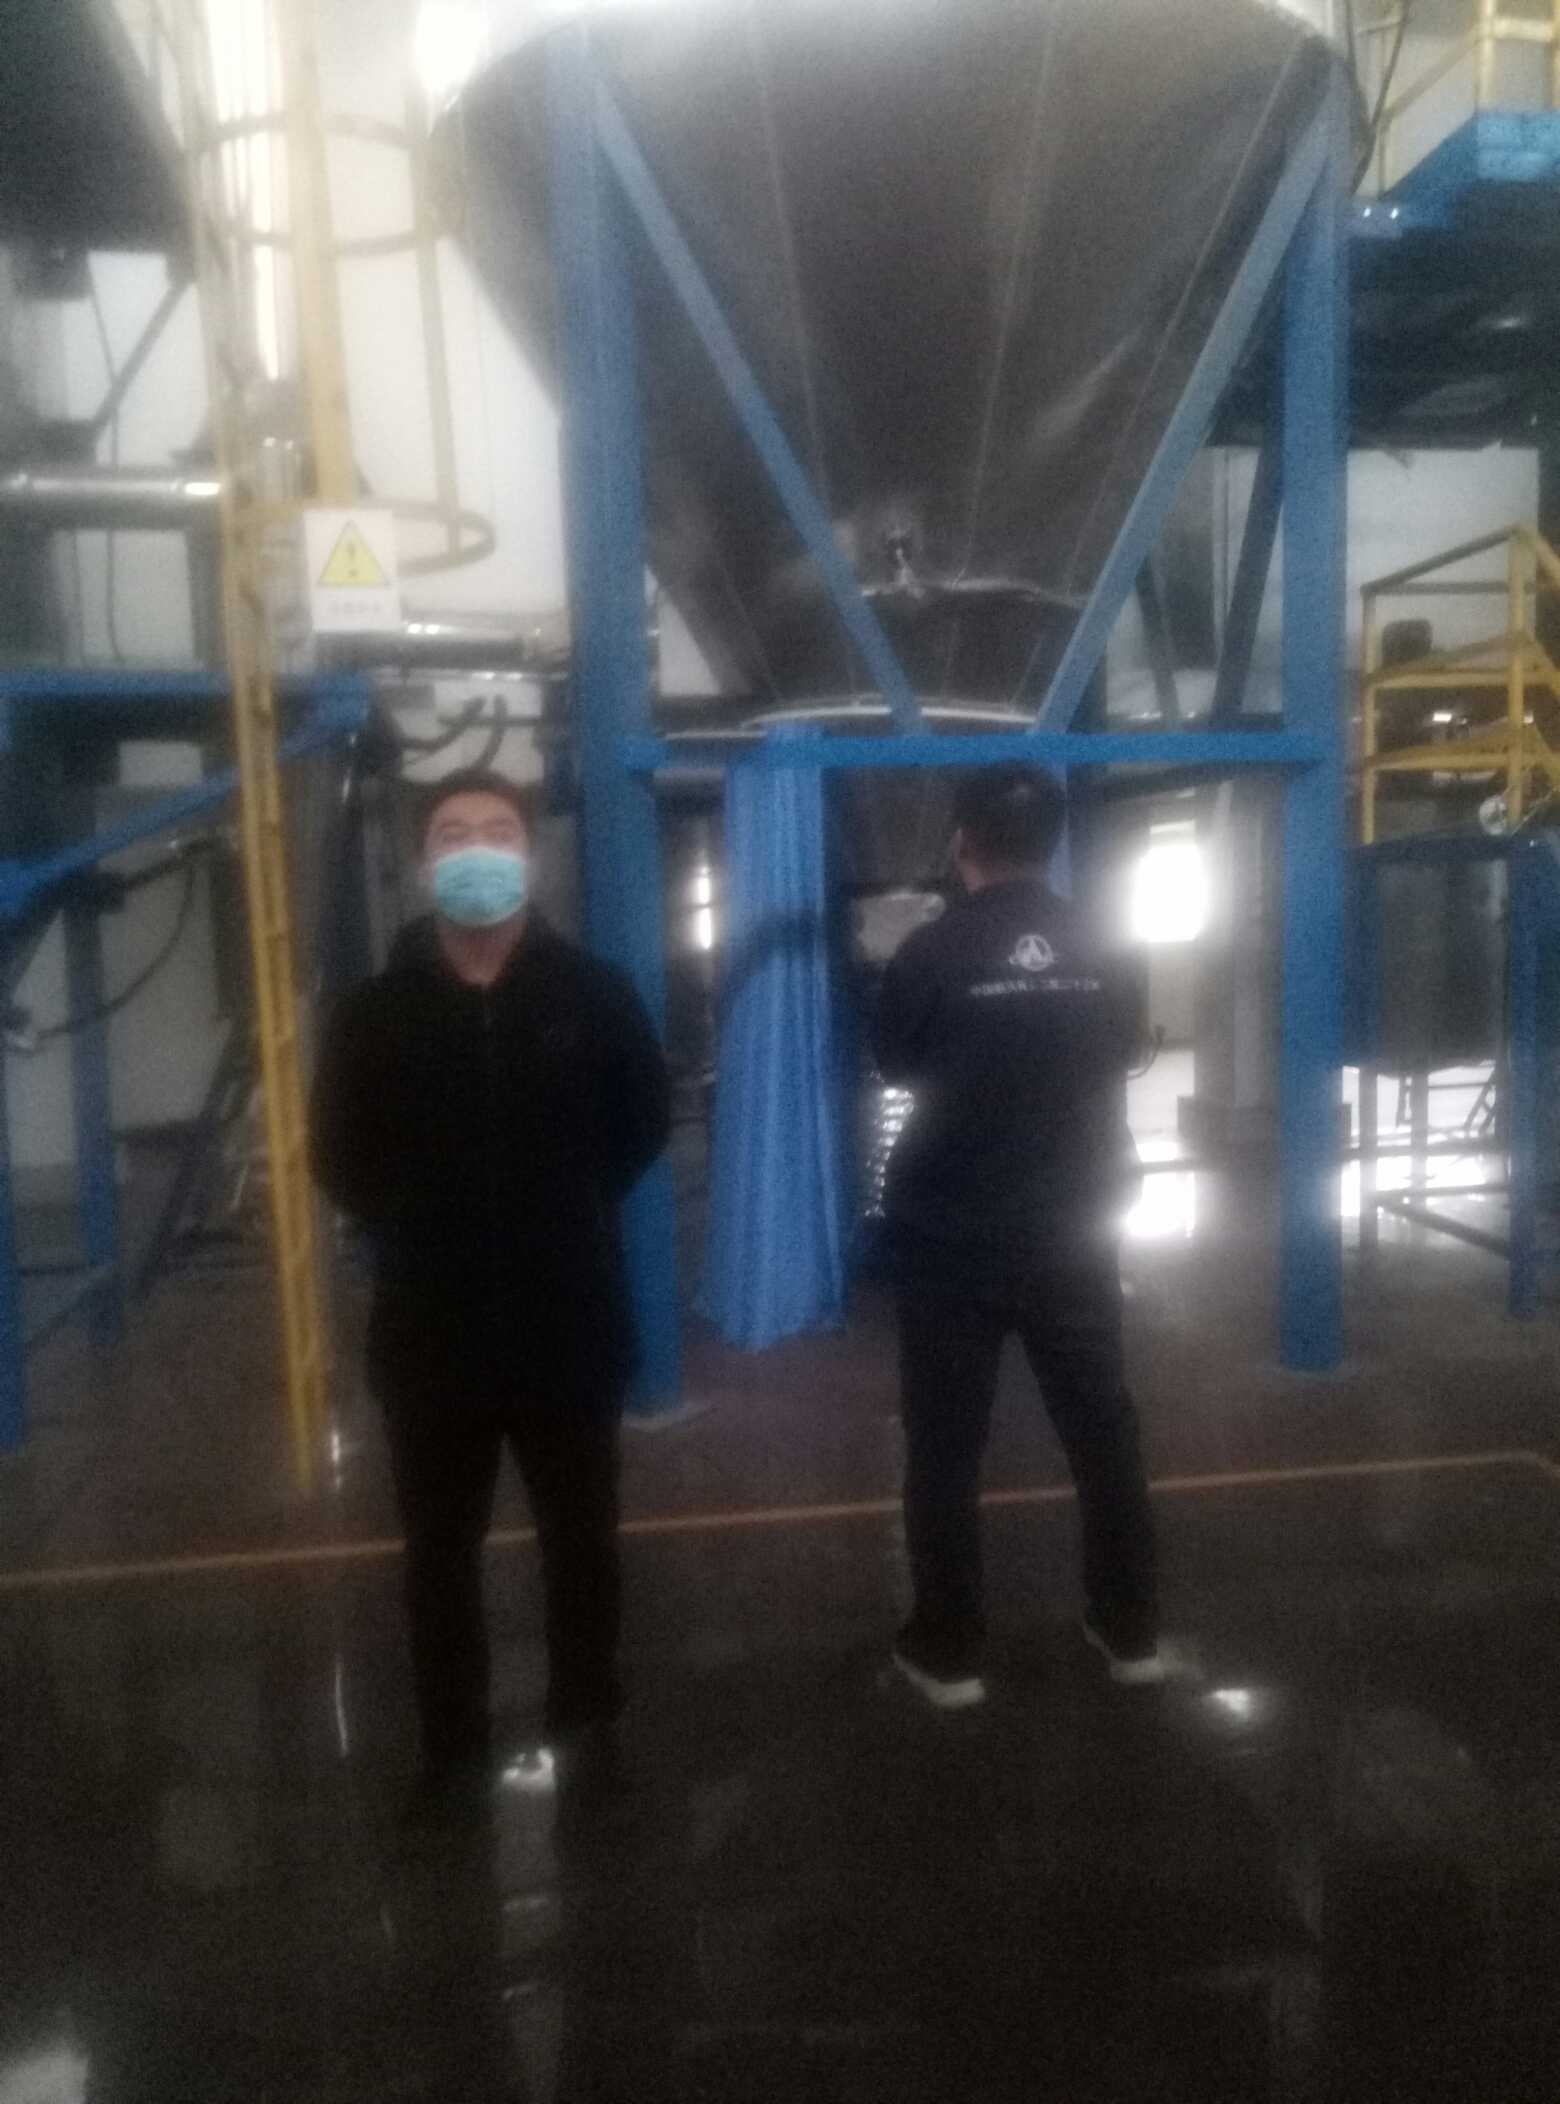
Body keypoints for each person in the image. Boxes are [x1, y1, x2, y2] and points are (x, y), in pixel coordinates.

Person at [310, 767, 671, 1810]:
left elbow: (641, 1124)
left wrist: (563, 1208)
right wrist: (424, 1222)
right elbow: (337, 1151)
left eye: (498, 831)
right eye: (454, 834)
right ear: (424, 862)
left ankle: (587, 1728)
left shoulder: (594, 994)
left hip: (571, 1326)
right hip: (430, 1336)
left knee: (583, 1545)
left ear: (531, 855)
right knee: (438, 1557)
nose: (476, 850)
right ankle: (452, 1754)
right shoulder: (374, 1013)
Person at [874, 765, 1165, 1710]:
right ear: (1052, 843)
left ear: (962, 842)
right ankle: (1130, 1632)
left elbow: (895, 1064)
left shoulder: (928, 952)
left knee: (945, 1448)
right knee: (1102, 1434)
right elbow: (1123, 1052)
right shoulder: (1110, 945)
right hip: (1074, 1230)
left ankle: (949, 1654)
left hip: (950, 1235)